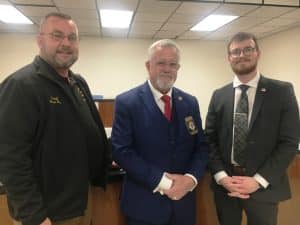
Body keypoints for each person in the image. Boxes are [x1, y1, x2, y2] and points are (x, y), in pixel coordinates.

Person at [0, 12, 110, 225]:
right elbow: (9, 157)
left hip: (79, 202)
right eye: (57, 36)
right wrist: (35, 216)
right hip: (47, 213)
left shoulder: (77, 83)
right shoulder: (21, 85)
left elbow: (87, 131)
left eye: (72, 37)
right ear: (40, 41)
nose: (66, 43)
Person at [205, 32, 300, 225]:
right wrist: (221, 176)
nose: (242, 55)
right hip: (226, 186)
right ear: (229, 58)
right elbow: (209, 139)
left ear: (258, 53)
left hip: (263, 187)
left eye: (248, 49)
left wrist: (257, 180)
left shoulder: (281, 91)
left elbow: (289, 142)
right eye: (236, 51)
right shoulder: (219, 95)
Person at [111, 39, 208, 225]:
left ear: (178, 68)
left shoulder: (189, 102)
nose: (167, 69)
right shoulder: (127, 102)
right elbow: (121, 151)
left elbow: (201, 147)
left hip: (183, 206)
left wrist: (190, 179)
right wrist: (164, 182)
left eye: (172, 64)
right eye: (161, 63)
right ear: (148, 66)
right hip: (144, 206)